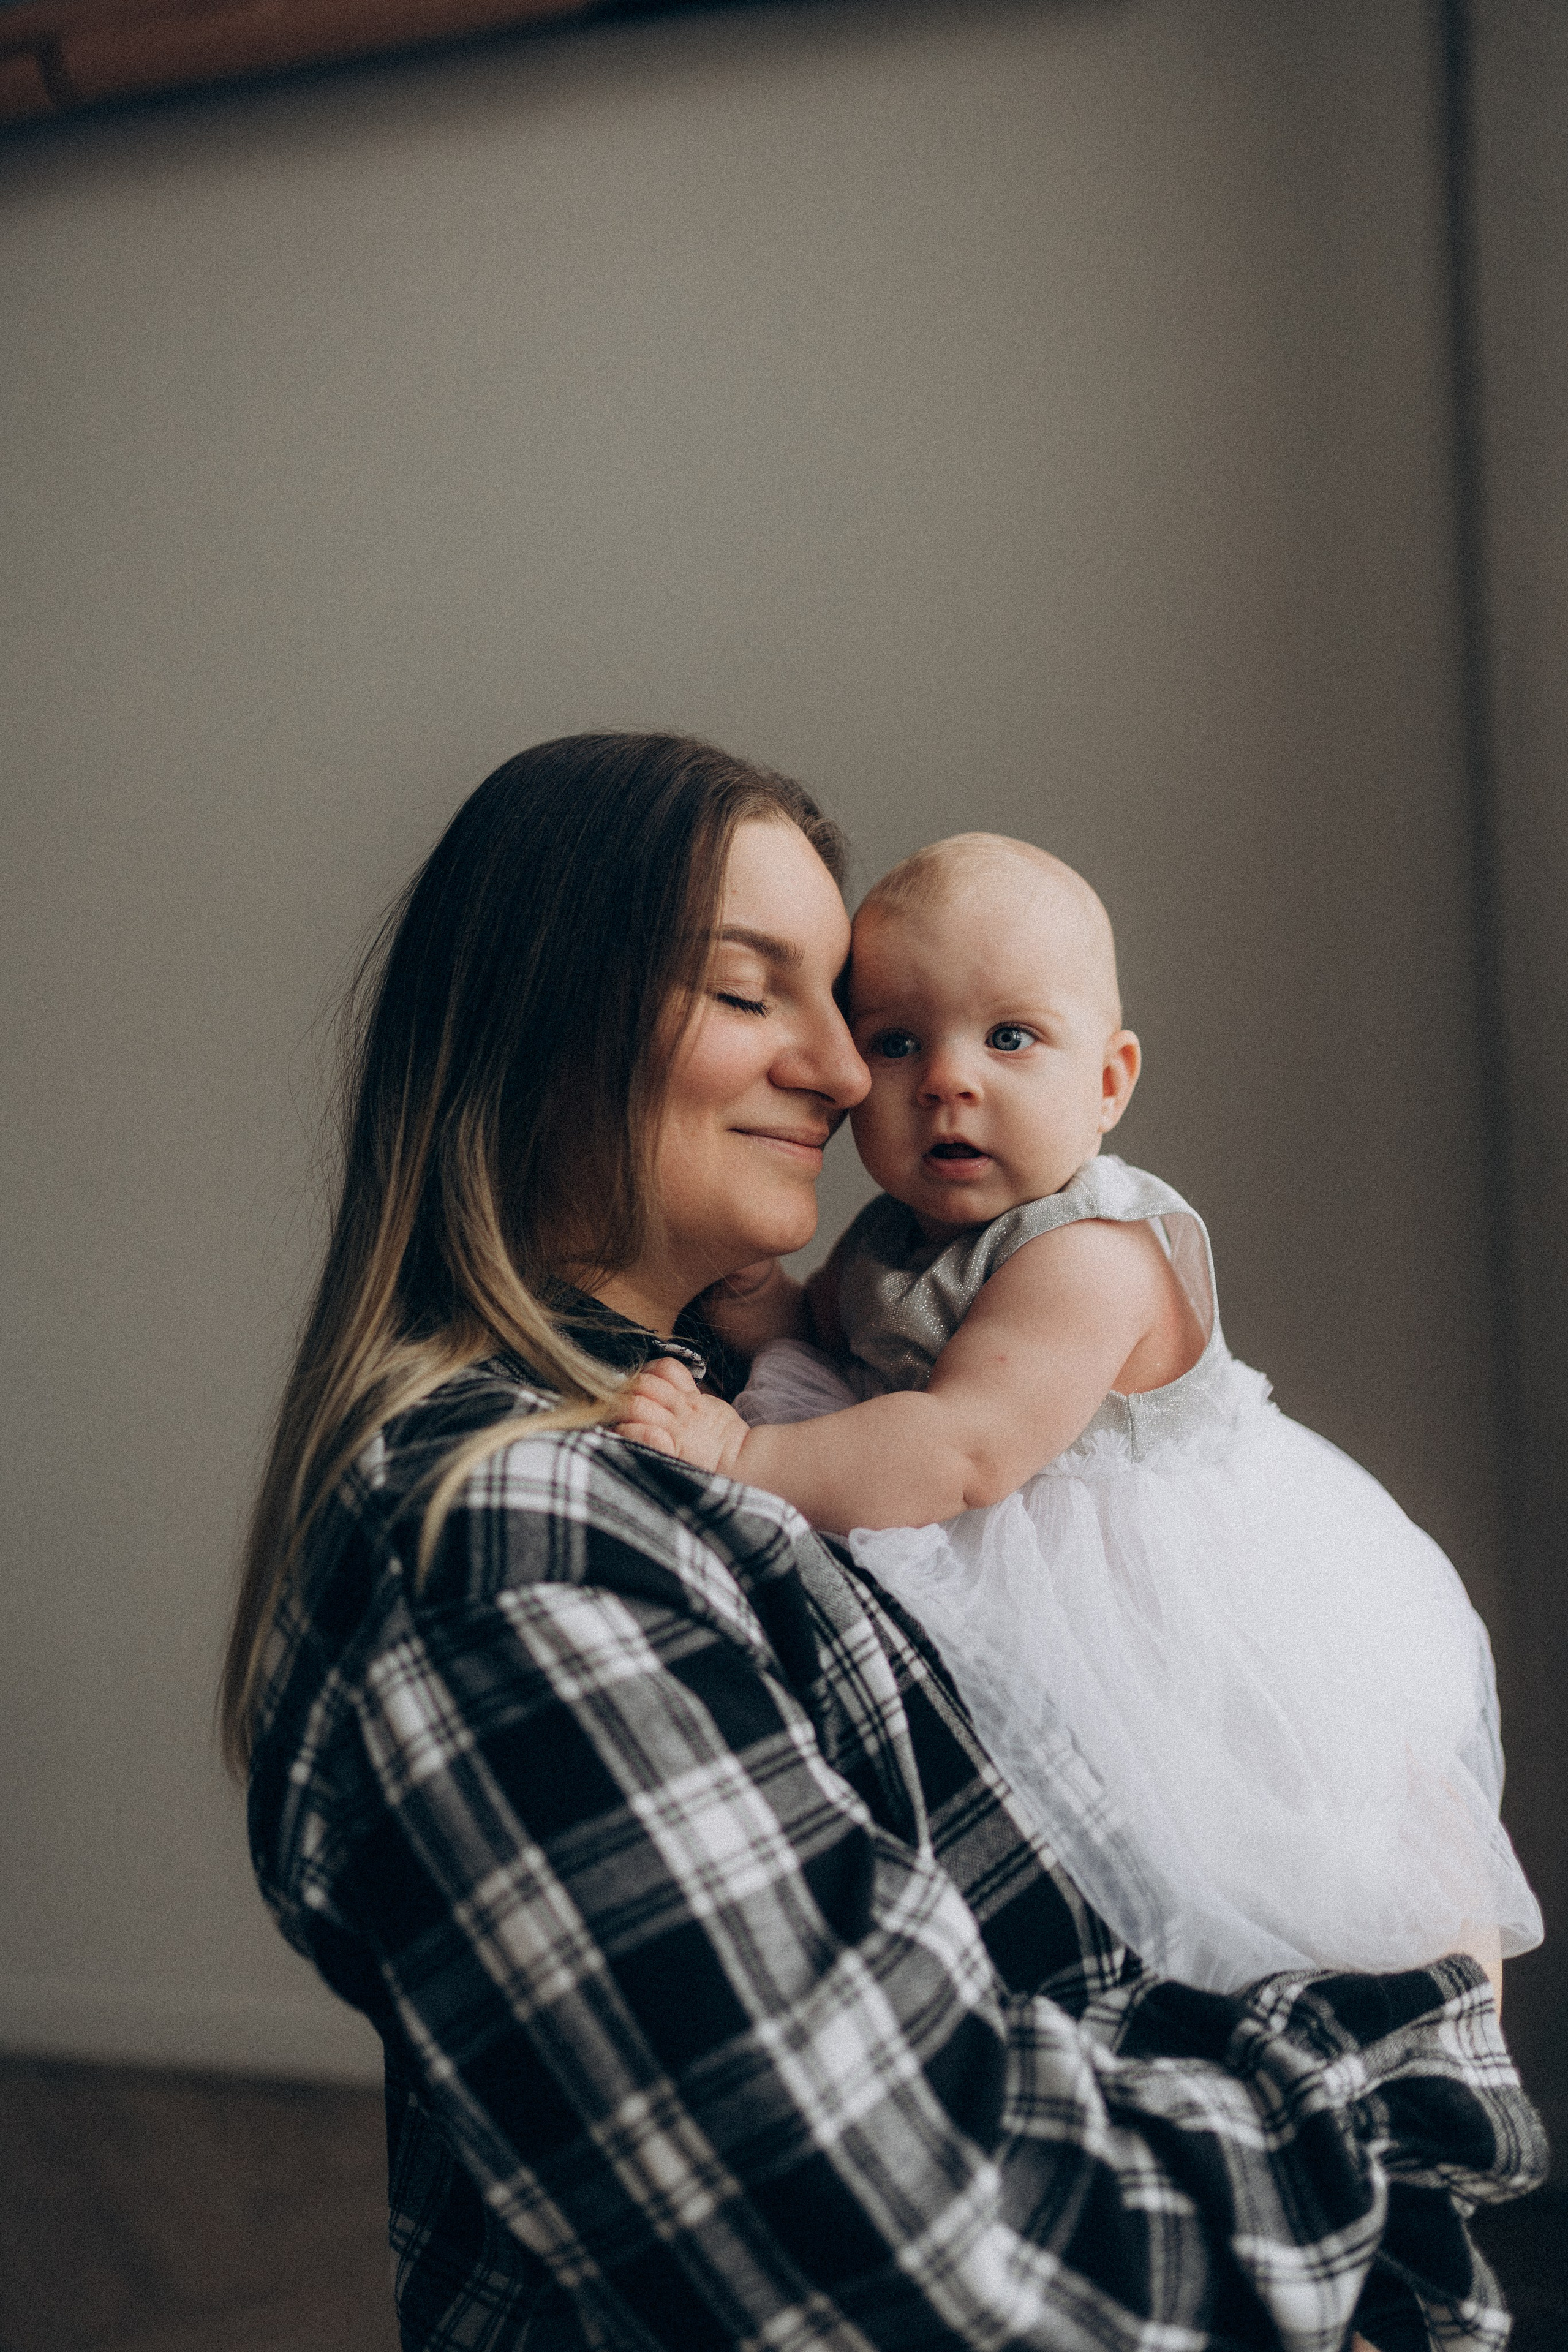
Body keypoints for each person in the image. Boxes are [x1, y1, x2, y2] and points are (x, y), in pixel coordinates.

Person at [223, 740, 1545, 2352]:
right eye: (752, 993)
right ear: (541, 1021)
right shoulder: (520, 1549)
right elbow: (947, 2277)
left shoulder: (737, 1395)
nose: (855, 1077)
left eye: (840, 1004)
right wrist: (1416, 2063)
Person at [609, 832, 1543, 2008]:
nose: (947, 1080)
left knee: (1246, 1847)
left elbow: (966, 1448)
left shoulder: (1090, 1254)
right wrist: (750, 1287)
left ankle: (1406, 2006)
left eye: (1010, 1039)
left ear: (1109, 1081)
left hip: (1155, 1603)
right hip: (1000, 1545)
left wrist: (742, 1452)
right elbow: (828, 1336)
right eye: (897, 1042)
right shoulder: (894, 1239)